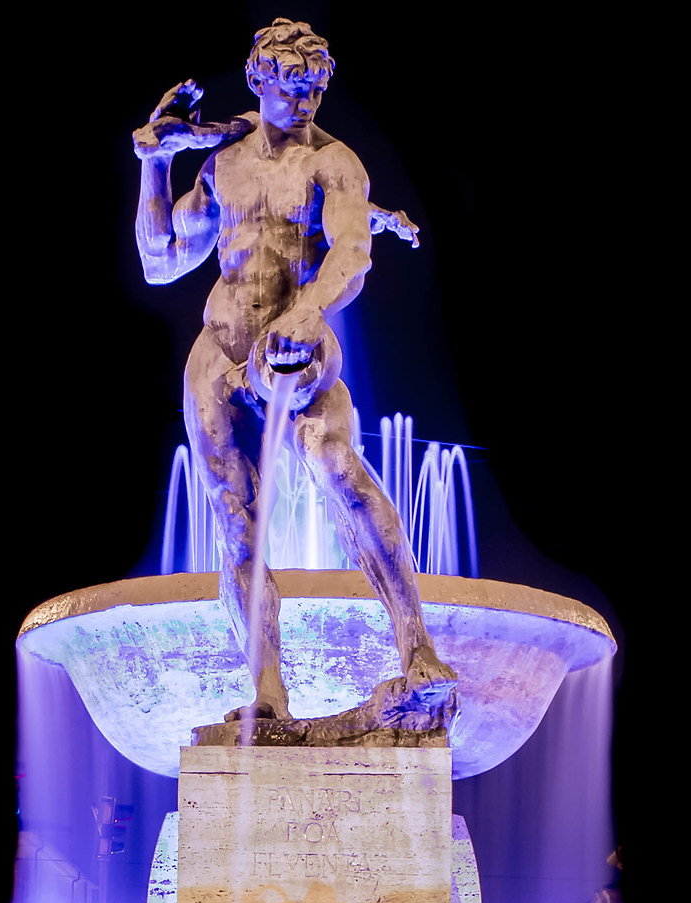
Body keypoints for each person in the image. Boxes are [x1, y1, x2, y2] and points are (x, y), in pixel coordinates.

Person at [133, 19, 456, 726]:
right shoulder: (222, 166)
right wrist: (153, 165)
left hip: (298, 350)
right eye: (291, 86)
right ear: (258, 79)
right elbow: (160, 261)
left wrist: (308, 312)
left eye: (315, 88)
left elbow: (352, 251)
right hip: (220, 356)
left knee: (341, 468)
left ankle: (417, 648)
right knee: (236, 522)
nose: (306, 100)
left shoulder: (334, 163)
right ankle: (268, 693)